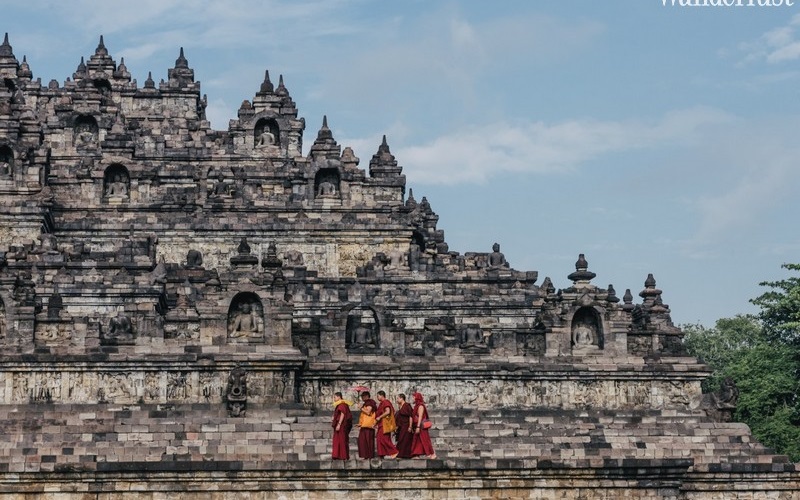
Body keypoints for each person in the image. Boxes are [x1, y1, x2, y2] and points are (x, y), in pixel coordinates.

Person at [410, 392, 436, 459]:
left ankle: (432, 454)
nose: (412, 398)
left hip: (421, 426)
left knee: (425, 439)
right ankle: (416, 454)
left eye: (413, 397)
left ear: (417, 398)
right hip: (417, 426)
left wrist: (418, 426)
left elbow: (420, 417)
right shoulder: (416, 406)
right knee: (417, 440)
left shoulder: (420, 406)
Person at [375, 391, 399, 459]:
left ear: (382, 395)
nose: (377, 397)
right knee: (380, 439)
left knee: (384, 439)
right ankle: (382, 454)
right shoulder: (381, 403)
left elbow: (388, 411)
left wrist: (380, 417)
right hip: (381, 423)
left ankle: (394, 452)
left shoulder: (386, 402)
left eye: (378, 396)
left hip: (384, 424)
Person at [331, 392, 353, 460]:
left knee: (342, 440)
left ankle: (342, 456)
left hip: (341, 425)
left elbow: (342, 414)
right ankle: (338, 455)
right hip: (340, 425)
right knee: (338, 440)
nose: (334, 399)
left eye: (335, 397)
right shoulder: (340, 404)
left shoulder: (342, 404)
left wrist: (339, 424)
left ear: (339, 397)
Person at [356, 391, 377, 459]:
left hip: (369, 426)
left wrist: (361, 408)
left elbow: (368, 412)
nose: (362, 397)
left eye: (363, 396)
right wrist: (360, 423)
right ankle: (366, 455)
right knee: (362, 441)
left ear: (367, 396)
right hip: (364, 425)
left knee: (368, 441)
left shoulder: (370, 402)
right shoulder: (366, 403)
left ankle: (369, 455)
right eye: (361, 396)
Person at [394, 393, 414, 459]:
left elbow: (410, 416)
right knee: (401, 439)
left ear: (402, 398)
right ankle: (402, 454)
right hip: (401, 426)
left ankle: (404, 455)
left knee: (405, 440)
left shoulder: (407, 405)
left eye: (398, 398)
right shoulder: (400, 406)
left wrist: (410, 426)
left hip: (406, 425)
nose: (397, 400)